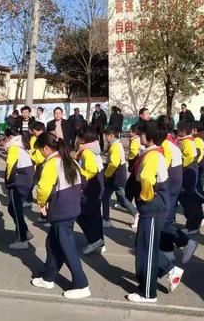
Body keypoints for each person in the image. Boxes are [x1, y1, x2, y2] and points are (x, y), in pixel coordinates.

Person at [30, 132, 91, 299]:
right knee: (53, 243)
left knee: (67, 247)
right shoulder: (69, 160)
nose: (40, 154)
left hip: (60, 209)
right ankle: (48, 277)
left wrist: (42, 203)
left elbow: (43, 188)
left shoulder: (51, 163)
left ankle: (81, 284)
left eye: (40, 150)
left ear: (46, 148)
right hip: (71, 207)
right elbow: (84, 179)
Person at [127, 120, 179, 303]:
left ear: (148, 138)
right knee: (144, 248)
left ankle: (148, 293)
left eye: (141, 134)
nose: (138, 136)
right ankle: (168, 270)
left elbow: (147, 178)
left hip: (153, 207)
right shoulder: (152, 153)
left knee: (147, 251)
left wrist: (144, 197)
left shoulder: (152, 156)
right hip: (153, 207)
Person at [158, 116, 195, 265]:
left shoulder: (166, 144)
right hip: (175, 180)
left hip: (170, 182)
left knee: (164, 218)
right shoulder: (171, 141)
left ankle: (186, 242)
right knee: (169, 217)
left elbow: (163, 167)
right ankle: (167, 251)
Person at [75, 126, 105, 255]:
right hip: (97, 183)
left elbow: (91, 169)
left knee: (82, 214)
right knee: (95, 214)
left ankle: (94, 240)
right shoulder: (94, 147)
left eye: (78, 137)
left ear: (83, 139)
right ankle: (99, 241)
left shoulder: (86, 151)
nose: (76, 139)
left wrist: (82, 179)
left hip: (91, 185)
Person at [4, 125, 34, 250]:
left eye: (5, 138)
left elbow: (10, 165)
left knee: (15, 209)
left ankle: (22, 239)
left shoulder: (14, 147)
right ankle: (25, 231)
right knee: (14, 208)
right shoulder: (21, 144)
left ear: (10, 137)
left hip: (19, 181)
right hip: (26, 179)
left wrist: (8, 182)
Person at [102, 127, 138, 228]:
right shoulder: (115, 145)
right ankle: (106, 219)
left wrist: (106, 174)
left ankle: (136, 214)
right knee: (107, 196)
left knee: (121, 198)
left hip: (115, 176)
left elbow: (114, 163)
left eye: (106, 137)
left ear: (111, 136)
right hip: (116, 175)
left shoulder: (115, 146)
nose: (105, 139)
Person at [177, 121, 203, 234]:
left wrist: (181, 165)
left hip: (188, 172)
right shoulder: (190, 140)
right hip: (191, 171)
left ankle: (192, 225)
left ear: (182, 132)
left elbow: (188, 157)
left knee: (187, 199)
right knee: (189, 198)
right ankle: (193, 223)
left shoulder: (186, 142)